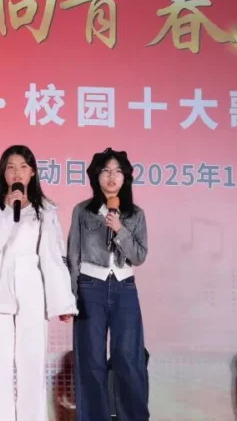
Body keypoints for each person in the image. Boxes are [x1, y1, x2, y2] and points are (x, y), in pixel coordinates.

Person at [0, 145, 76, 421]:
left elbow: (53, 257)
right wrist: (9, 211)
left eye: (22, 167)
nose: (16, 172)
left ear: (32, 172)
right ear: (3, 173)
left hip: (32, 294)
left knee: (32, 368)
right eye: (10, 167)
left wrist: (63, 302)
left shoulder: (46, 211)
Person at [68, 147, 149, 421]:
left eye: (117, 171)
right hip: (90, 287)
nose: (112, 177)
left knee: (129, 357)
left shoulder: (135, 214)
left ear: (125, 177)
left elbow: (139, 256)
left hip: (125, 287)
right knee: (90, 359)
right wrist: (71, 297)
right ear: (96, 177)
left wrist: (119, 229)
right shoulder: (83, 211)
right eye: (106, 171)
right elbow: (73, 256)